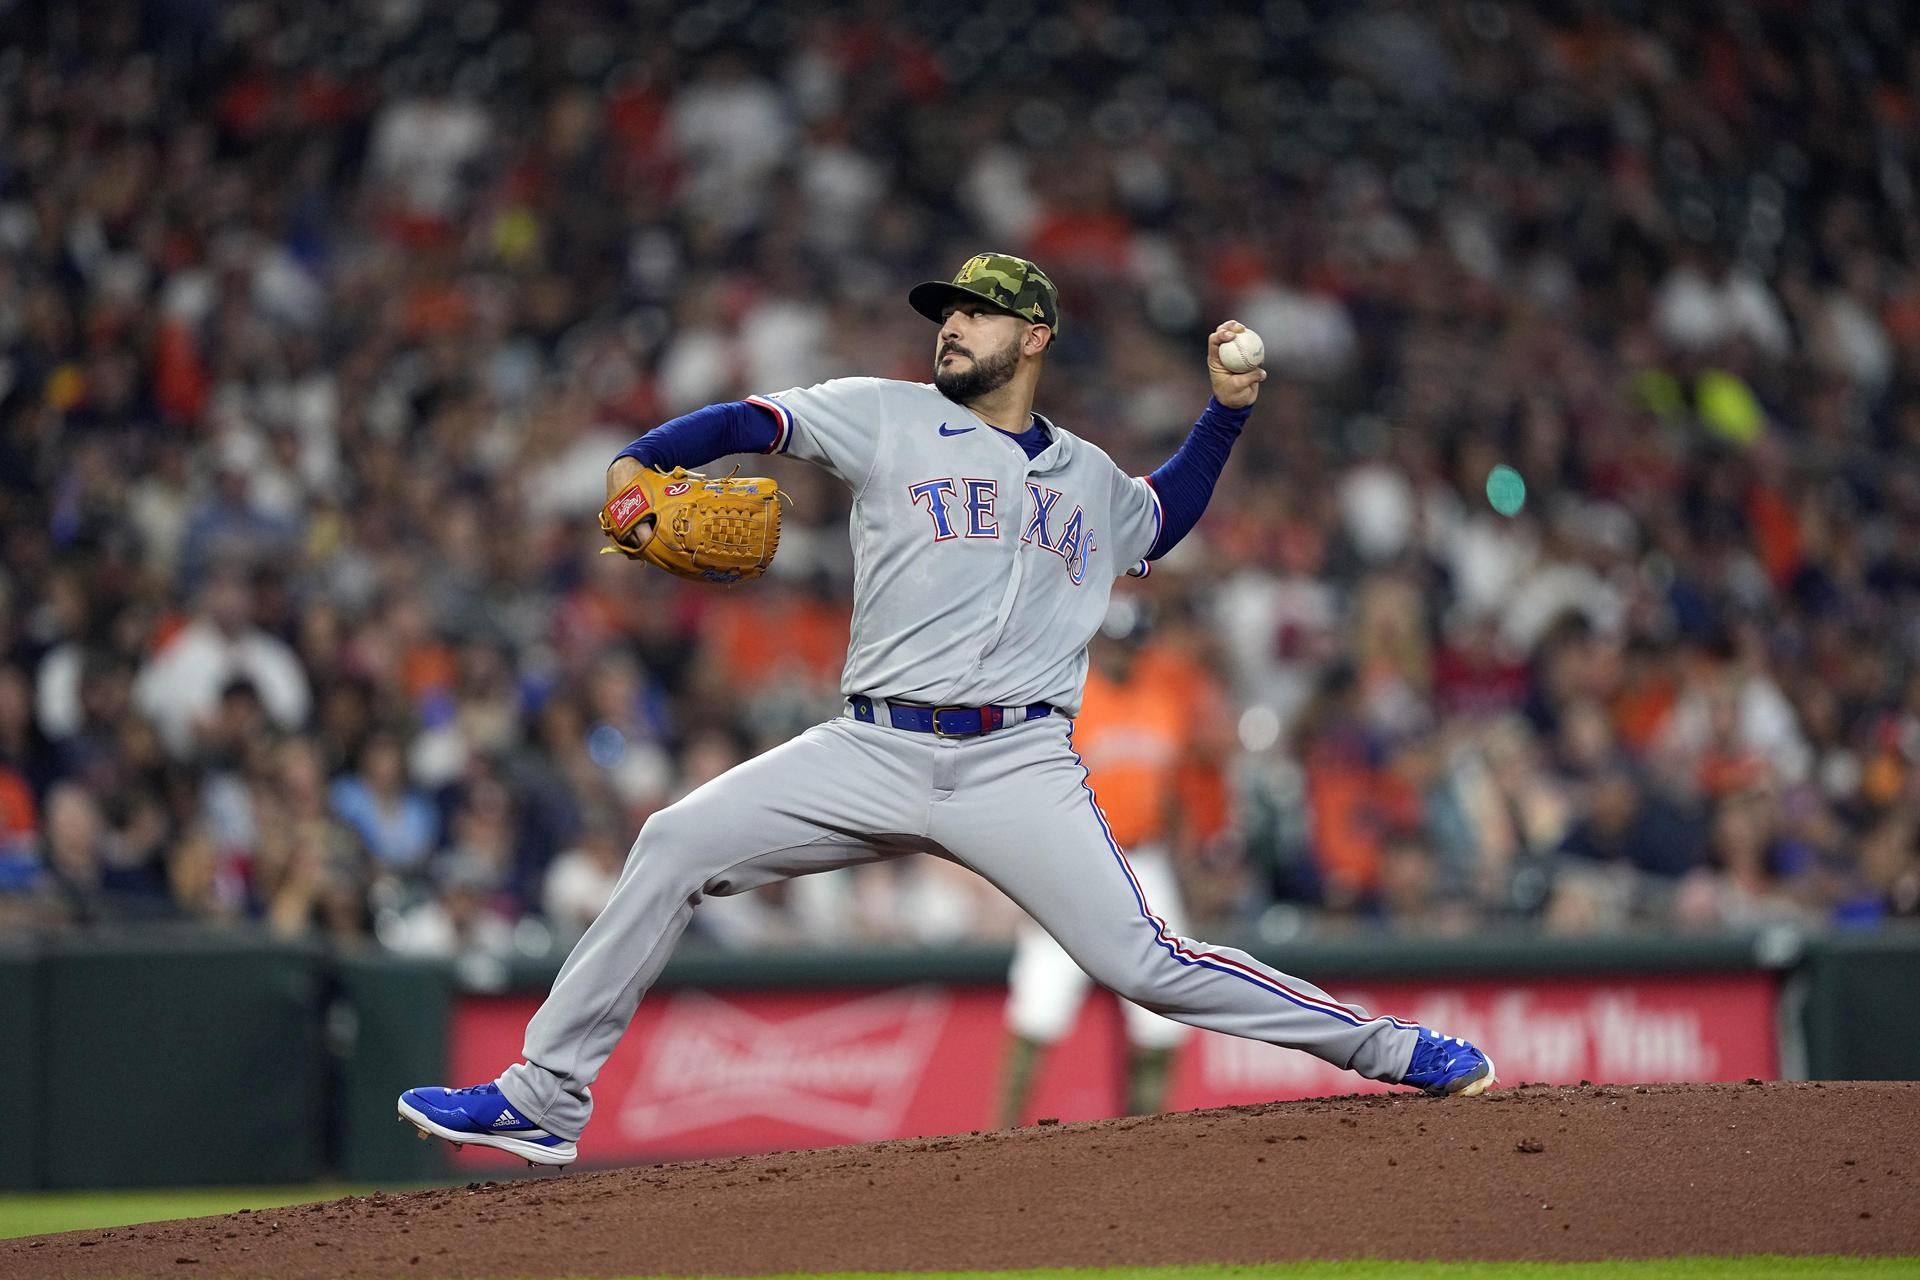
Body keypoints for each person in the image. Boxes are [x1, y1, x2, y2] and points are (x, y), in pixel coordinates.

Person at [399, 253, 1495, 1167]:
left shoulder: (1089, 477)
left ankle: (1389, 1048)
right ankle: (546, 1095)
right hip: (870, 741)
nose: (951, 326)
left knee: (1146, 961)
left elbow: (1162, 518)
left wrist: (1227, 413)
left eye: (976, 312)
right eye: (946, 311)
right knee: (674, 838)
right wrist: (644, 459)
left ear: (1034, 337)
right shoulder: (883, 415)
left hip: (1017, 763)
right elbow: (750, 418)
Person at [998, 596, 1192, 1126]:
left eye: (1133, 643)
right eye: (1114, 642)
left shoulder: (1162, 703)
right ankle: (997, 1143)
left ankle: (1146, 1139)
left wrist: (1185, 879)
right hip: (1074, 861)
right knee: (1038, 1007)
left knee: (1164, 1013)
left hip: (1145, 860)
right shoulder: (1067, 701)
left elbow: (1172, 803)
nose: (1123, 653)